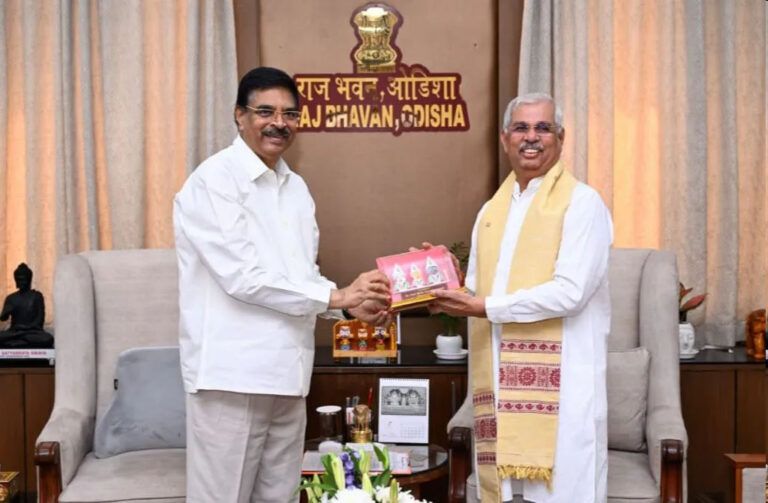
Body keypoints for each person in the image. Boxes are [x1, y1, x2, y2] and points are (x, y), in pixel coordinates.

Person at [173, 67, 391, 503]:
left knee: (282, 496)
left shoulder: (296, 188)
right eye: (265, 111)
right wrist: (337, 296)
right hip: (231, 377)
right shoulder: (213, 181)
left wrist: (346, 308)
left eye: (291, 114)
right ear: (239, 116)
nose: (279, 123)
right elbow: (243, 278)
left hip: (289, 375)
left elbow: (301, 279)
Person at [427, 93, 613, 502]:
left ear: (561, 138)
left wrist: (482, 306)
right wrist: (435, 279)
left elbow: (570, 293)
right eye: (521, 128)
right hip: (500, 386)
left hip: (564, 392)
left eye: (542, 128)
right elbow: (477, 288)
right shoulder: (491, 212)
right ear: (504, 138)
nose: (531, 137)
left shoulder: (583, 204)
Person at [0, 263, 53, 348]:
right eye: (18, 280)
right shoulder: (11, 298)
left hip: (31, 332)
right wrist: (6, 312)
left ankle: (18, 342)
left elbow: (39, 320)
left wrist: (25, 328)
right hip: (15, 332)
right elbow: (3, 318)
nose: (20, 283)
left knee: (47, 339)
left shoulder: (36, 296)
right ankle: (20, 341)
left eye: (23, 280)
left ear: (29, 280)